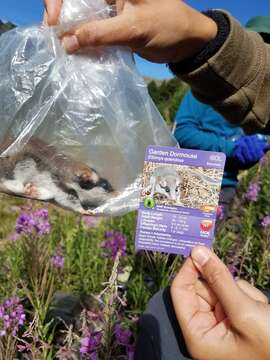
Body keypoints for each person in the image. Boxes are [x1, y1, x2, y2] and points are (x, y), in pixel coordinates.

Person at [44, 1, 270, 358]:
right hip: (185, 177)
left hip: (224, 188)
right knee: (153, 260)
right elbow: (187, 132)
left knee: (195, 271)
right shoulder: (207, 96)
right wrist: (230, 147)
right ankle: (133, 324)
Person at [174, 89, 270, 220]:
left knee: (212, 240)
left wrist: (248, 156)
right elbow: (181, 132)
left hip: (225, 187)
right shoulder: (203, 88)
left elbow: (243, 157)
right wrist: (230, 149)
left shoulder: (260, 104)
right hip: (190, 179)